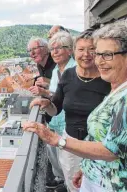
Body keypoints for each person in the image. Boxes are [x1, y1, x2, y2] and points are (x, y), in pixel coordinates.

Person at [23, 22, 127, 192]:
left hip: (111, 181)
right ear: (74, 51)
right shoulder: (72, 75)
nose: (98, 60)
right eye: (99, 54)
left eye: (107, 54)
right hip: (89, 164)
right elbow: (57, 104)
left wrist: (57, 140)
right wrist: (85, 168)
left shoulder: (115, 87)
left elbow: (111, 148)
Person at [45, 31, 76, 192]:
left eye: (59, 48)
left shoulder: (75, 70)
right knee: (64, 165)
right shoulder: (56, 70)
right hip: (56, 125)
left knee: (72, 167)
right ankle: (65, 184)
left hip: (70, 128)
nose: (55, 52)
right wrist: (45, 95)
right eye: (52, 49)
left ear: (69, 50)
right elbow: (56, 95)